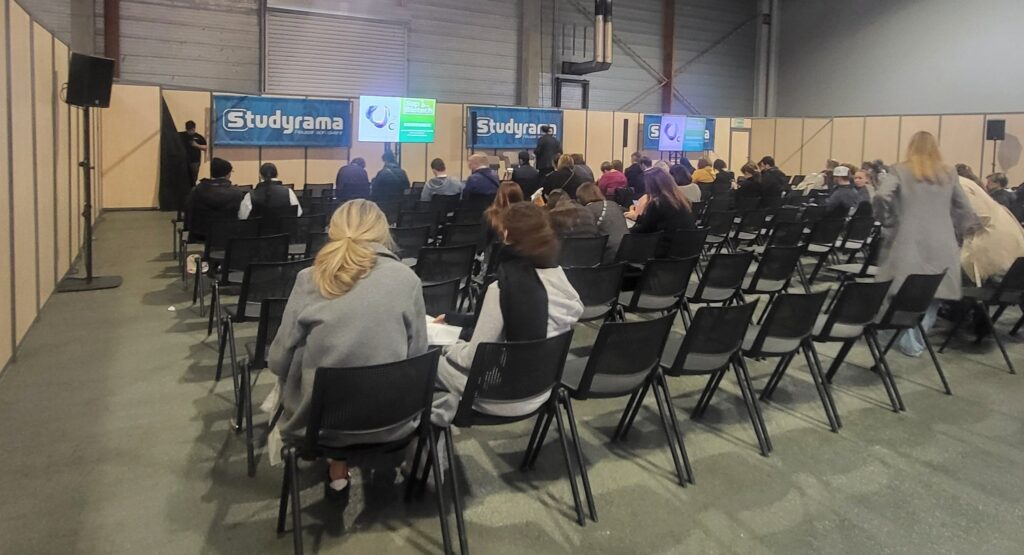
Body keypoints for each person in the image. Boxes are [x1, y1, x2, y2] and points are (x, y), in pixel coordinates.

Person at [268, 199, 427, 493]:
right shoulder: (408, 279)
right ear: (383, 231)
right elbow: (417, 357)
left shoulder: (309, 278)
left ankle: (337, 465)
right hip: (392, 420)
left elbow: (278, 362)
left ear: (333, 230)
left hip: (320, 426)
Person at [432, 202, 583, 426]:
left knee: (426, 362)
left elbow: (474, 358)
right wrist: (455, 319)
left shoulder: (503, 287)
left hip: (498, 395)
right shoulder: (560, 280)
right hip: (542, 390)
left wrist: (446, 346)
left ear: (507, 235)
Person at [873, 131, 980, 357]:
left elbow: (881, 196)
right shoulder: (949, 173)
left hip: (907, 242)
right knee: (934, 292)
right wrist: (964, 230)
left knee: (901, 291)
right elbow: (964, 207)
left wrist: (887, 219)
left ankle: (905, 338)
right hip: (942, 243)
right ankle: (916, 339)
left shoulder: (899, 170)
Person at [955, 167, 1024, 285]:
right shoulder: (964, 185)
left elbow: (974, 219)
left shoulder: (959, 185)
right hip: (1008, 253)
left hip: (993, 256)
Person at [629, 167, 697, 256]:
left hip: (665, 251)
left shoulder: (657, 203)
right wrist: (637, 217)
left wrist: (625, 230)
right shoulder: (682, 200)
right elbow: (653, 221)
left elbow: (646, 229)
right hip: (686, 250)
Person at [184, 157, 245, 241]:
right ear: (228, 174)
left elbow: (189, 213)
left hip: (199, 235)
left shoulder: (196, 191)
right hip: (228, 235)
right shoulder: (237, 193)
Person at [577, 182, 628, 263]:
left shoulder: (585, 211)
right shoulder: (613, 204)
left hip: (608, 258)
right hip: (628, 253)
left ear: (580, 198)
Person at [179, 120, 207, 185]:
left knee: (193, 176)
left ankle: (193, 187)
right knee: (182, 177)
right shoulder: (181, 135)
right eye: (188, 130)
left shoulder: (199, 137)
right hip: (183, 161)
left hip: (195, 161)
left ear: (194, 128)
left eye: (191, 129)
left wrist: (196, 145)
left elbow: (205, 147)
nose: (190, 131)